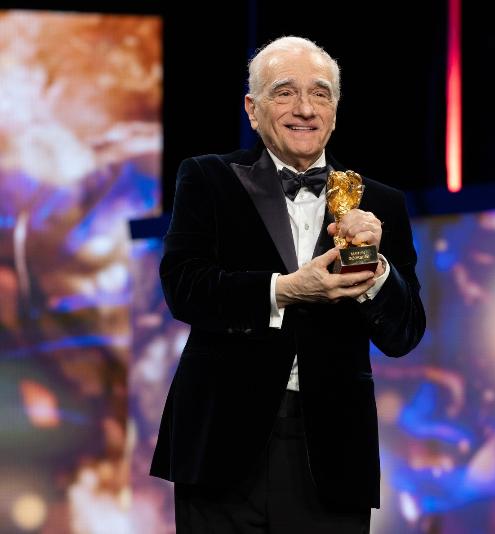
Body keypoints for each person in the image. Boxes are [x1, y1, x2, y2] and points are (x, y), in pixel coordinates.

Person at [150, 35, 426, 533]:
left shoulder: (379, 203)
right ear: (252, 110)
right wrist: (286, 289)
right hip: (221, 443)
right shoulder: (208, 178)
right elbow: (184, 288)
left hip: (333, 451)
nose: (305, 109)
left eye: (320, 93)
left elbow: (404, 334)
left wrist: (376, 267)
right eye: (285, 92)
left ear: (335, 112)